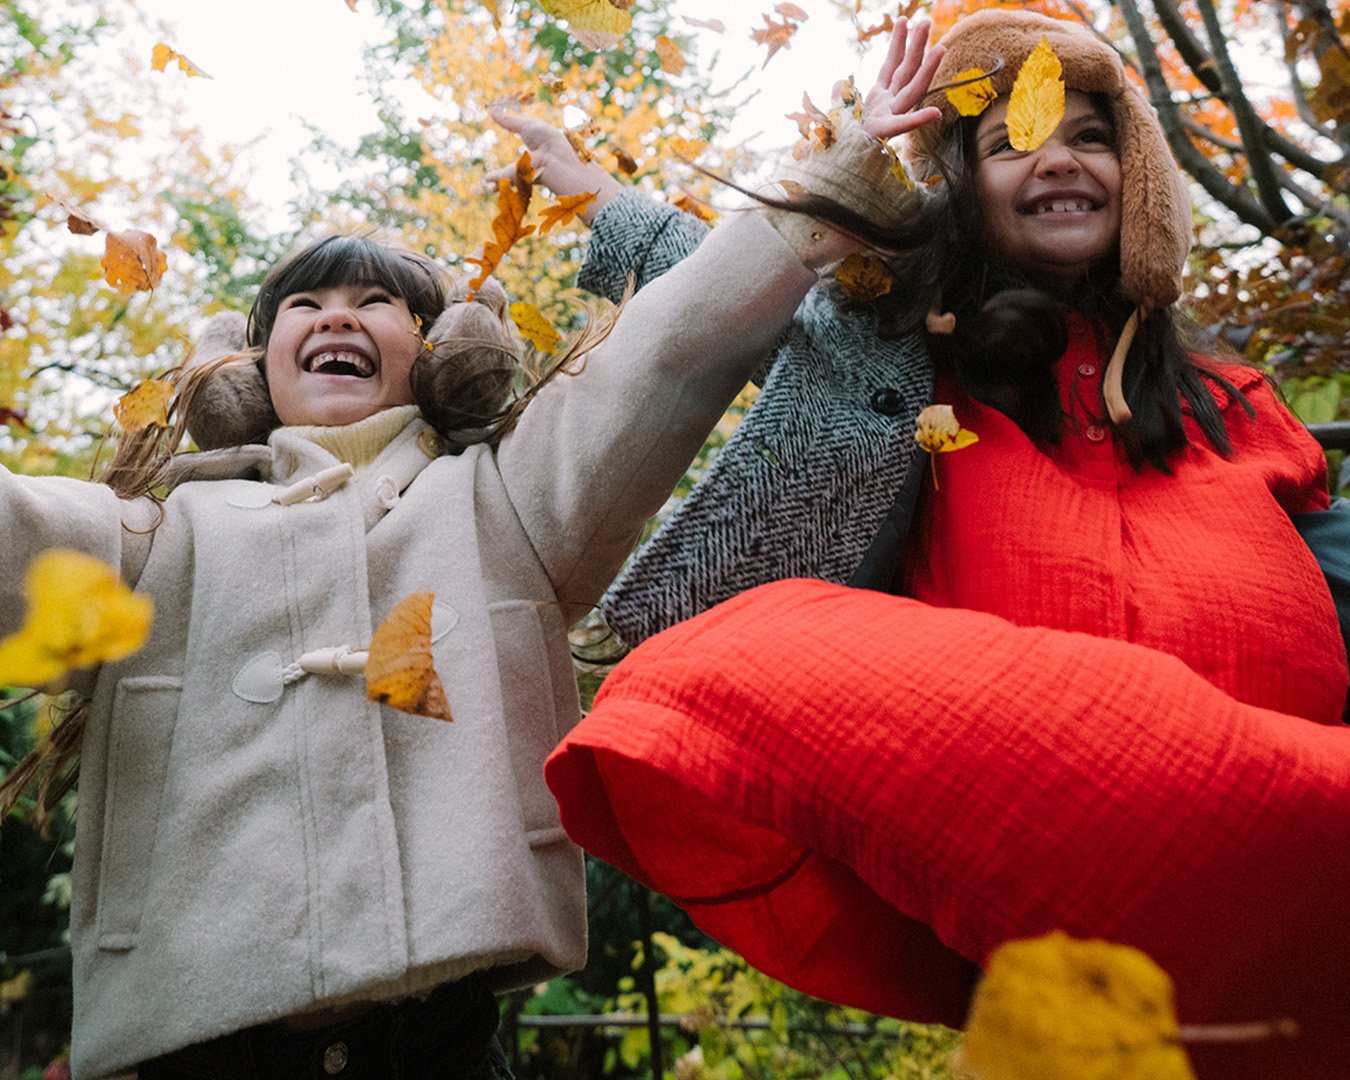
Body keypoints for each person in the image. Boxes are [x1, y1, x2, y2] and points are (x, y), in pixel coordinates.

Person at [523, 11, 1350, 1079]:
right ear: (960, 190)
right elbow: (715, 275)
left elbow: (1330, 555)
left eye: (1089, 137)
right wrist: (599, 188)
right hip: (1052, 798)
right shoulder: (903, 352)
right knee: (717, 657)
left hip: (1291, 801)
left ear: (1136, 175)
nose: (1056, 155)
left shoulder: (1223, 388)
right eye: (1010, 144)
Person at [0, 209, 848, 1078]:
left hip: (435, 1044)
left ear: (438, 352)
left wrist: (821, 198)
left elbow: (659, 356)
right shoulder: (157, 541)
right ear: (248, 377)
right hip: (195, 1051)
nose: (337, 316)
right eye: (305, 303)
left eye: (374, 301)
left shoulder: (504, 504)